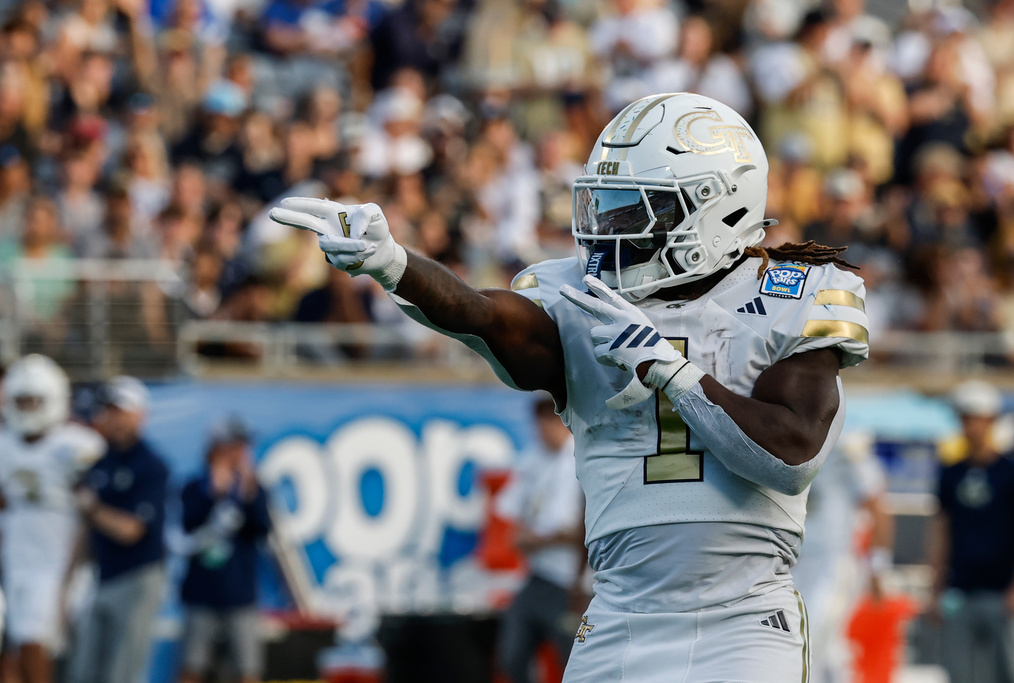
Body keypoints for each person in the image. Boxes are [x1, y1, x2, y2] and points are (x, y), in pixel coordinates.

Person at [270, 92, 870, 681]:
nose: (612, 230)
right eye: (610, 207)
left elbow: (790, 455)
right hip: (619, 617)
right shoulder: (585, 299)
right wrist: (396, 265)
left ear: (719, 208)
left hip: (742, 622)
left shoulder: (793, 292)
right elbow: (482, 314)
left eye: (640, 211)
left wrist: (669, 370)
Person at [0, 355, 105, 683]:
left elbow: (94, 504)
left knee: (36, 642)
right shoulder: (4, 444)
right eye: (22, 400)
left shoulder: (78, 445)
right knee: (17, 646)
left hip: (59, 557)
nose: (28, 408)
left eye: (35, 401)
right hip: (16, 555)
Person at [68, 376, 169, 683]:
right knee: (83, 669)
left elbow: (131, 530)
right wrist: (68, 579)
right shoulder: (100, 461)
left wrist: (92, 508)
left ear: (140, 414)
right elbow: (86, 528)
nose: (114, 418)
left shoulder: (151, 465)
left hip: (137, 575)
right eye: (110, 410)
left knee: (121, 671)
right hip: (102, 575)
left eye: (122, 410)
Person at [927, 380, 1014, 683]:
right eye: (964, 417)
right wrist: (936, 588)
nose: (969, 425)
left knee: (1010, 671)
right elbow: (941, 531)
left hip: (1003, 590)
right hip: (960, 589)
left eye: (975, 417)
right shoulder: (951, 472)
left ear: (991, 420)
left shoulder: (1013, 472)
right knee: (960, 674)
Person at [495, 394, 583, 683]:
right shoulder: (535, 459)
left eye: (552, 419)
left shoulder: (581, 460)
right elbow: (509, 513)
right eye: (542, 420)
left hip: (574, 583)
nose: (545, 427)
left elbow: (583, 532)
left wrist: (538, 540)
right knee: (511, 655)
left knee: (573, 662)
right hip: (539, 576)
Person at [792, 431, 893, 683]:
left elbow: (876, 507)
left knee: (811, 638)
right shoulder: (786, 436)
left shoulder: (842, 445)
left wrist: (877, 568)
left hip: (833, 562)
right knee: (820, 644)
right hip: (794, 562)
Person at [178, 417, 271, 683]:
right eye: (234, 448)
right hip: (202, 592)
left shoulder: (253, 490)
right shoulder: (194, 488)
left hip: (239, 593)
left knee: (247, 668)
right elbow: (189, 527)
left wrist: (248, 492)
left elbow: (262, 529)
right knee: (192, 665)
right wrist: (215, 494)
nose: (240, 455)